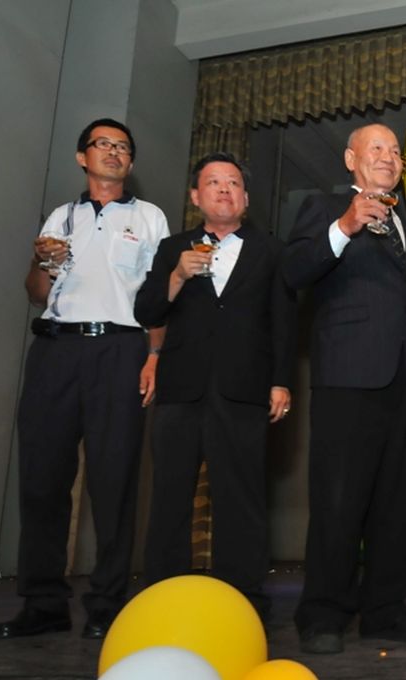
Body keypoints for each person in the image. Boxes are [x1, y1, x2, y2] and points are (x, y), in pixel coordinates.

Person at [0, 119, 168, 640]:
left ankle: (107, 605)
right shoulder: (61, 216)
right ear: (82, 157)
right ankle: (43, 603)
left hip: (120, 349)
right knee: (42, 480)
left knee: (114, 480)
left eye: (123, 147)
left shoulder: (148, 216)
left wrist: (154, 355)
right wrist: (41, 261)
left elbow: (160, 295)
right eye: (103, 144)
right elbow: (36, 292)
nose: (114, 152)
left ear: (130, 162)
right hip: (55, 349)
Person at [282, 124, 406, 654]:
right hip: (348, 377)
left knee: (400, 504)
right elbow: (293, 271)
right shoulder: (323, 208)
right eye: (376, 148)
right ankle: (322, 615)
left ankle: (386, 612)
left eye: (395, 151)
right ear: (350, 159)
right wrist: (344, 226)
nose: (388, 157)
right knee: (339, 500)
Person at [134, 152, 296, 619]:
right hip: (180, 390)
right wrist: (178, 275)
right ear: (195, 196)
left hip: (244, 390)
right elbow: (147, 311)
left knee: (241, 498)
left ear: (245, 199)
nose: (224, 189)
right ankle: (163, 600)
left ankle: (243, 603)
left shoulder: (272, 250)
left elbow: (283, 323)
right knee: (170, 496)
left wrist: (281, 381)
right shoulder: (172, 248)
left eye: (233, 183)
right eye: (213, 182)